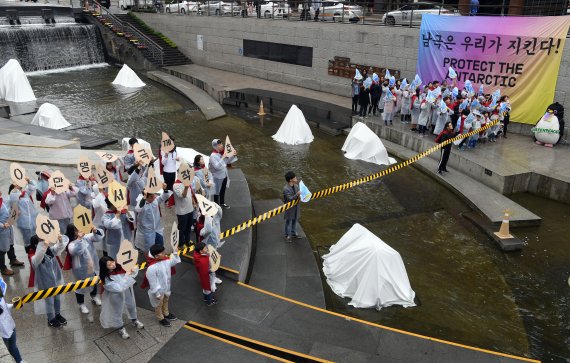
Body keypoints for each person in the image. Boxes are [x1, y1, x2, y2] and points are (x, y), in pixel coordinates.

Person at [98, 256, 144, 339]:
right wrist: (127, 275)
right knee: (117, 311)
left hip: (125, 292)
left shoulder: (119, 267)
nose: (113, 265)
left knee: (131, 305)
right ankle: (120, 327)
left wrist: (133, 270)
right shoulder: (106, 278)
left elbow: (131, 273)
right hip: (115, 295)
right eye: (109, 265)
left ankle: (134, 320)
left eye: (112, 262)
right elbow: (118, 288)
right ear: (105, 267)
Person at [29, 234, 68, 328]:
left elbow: (59, 248)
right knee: (49, 301)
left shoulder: (50, 250)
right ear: (36, 245)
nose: (44, 242)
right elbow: (38, 258)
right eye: (41, 241)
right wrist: (44, 246)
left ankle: (57, 314)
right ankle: (51, 318)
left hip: (56, 280)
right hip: (45, 282)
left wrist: (60, 241)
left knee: (57, 298)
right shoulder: (33, 256)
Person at [65, 224, 104, 314]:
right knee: (80, 286)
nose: (78, 231)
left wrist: (95, 231)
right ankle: (81, 304)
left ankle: (94, 296)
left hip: (92, 265)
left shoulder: (87, 237)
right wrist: (79, 240)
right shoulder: (71, 244)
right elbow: (75, 251)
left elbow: (98, 238)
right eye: (76, 231)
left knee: (93, 280)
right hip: (80, 269)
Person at [141, 244, 180, 327]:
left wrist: (175, 253)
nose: (165, 253)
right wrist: (156, 293)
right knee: (158, 305)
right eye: (162, 253)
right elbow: (152, 282)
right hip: (159, 290)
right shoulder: (151, 268)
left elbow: (173, 262)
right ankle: (160, 318)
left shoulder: (164, 260)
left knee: (165, 301)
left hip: (166, 287)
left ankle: (166, 313)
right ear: (156, 256)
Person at [134, 183, 173, 253]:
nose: (154, 197)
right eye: (151, 197)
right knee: (149, 249)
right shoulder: (141, 203)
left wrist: (165, 189)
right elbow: (138, 209)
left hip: (157, 229)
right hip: (147, 232)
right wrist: (144, 197)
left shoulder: (154, 201)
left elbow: (163, 197)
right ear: (146, 197)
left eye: (154, 195)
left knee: (160, 245)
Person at [0, 277, 25, 363]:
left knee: (13, 346)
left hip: (10, 326)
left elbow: (5, 306)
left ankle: (20, 361)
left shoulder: (1, 298)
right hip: (2, 333)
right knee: (5, 352)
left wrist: (14, 305)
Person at [8, 178, 37, 254]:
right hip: (24, 224)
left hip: (33, 222)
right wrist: (15, 187)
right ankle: (30, 257)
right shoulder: (13, 197)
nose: (20, 188)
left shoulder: (25, 194)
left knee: (36, 241)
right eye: (18, 187)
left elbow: (33, 187)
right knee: (28, 244)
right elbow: (13, 197)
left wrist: (29, 181)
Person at [209, 139, 237, 209]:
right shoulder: (213, 156)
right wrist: (223, 157)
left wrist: (232, 155)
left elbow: (227, 162)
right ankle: (216, 205)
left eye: (221, 144)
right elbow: (217, 167)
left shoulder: (221, 153)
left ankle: (222, 203)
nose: (221, 145)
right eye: (219, 145)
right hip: (217, 176)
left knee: (223, 190)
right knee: (216, 191)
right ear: (215, 146)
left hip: (224, 174)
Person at [0, 192, 23, 276]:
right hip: (2, 229)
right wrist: (2, 225)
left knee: (10, 244)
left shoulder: (2, 200)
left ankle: (13, 259)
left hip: (8, 226)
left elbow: (7, 210)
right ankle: (3, 268)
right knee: (1, 250)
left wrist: (15, 212)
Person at [173, 177, 196, 248]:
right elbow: (183, 196)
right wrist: (186, 187)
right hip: (182, 212)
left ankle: (187, 241)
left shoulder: (187, 182)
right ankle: (181, 244)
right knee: (182, 228)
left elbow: (191, 193)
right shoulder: (176, 185)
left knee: (188, 227)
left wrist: (193, 202)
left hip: (190, 209)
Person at [193, 242, 217, 306]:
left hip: (203, 276)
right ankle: (209, 302)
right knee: (208, 289)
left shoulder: (198, 256)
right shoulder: (202, 262)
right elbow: (206, 271)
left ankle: (206, 299)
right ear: (201, 251)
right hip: (206, 277)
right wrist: (211, 270)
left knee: (205, 289)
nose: (207, 249)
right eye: (205, 248)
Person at [283, 171, 301, 242]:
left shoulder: (296, 186)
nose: (296, 178)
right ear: (290, 180)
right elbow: (289, 199)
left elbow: (298, 195)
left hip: (296, 207)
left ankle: (293, 233)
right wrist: (297, 194)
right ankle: (287, 235)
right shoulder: (285, 189)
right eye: (294, 177)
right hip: (289, 208)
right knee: (288, 222)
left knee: (294, 220)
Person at [160, 140, 179, 208]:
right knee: (167, 186)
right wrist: (166, 155)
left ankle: (170, 200)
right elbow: (163, 163)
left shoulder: (175, 151)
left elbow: (176, 160)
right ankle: (166, 200)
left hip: (173, 171)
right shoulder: (163, 151)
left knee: (172, 186)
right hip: (167, 171)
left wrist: (178, 159)